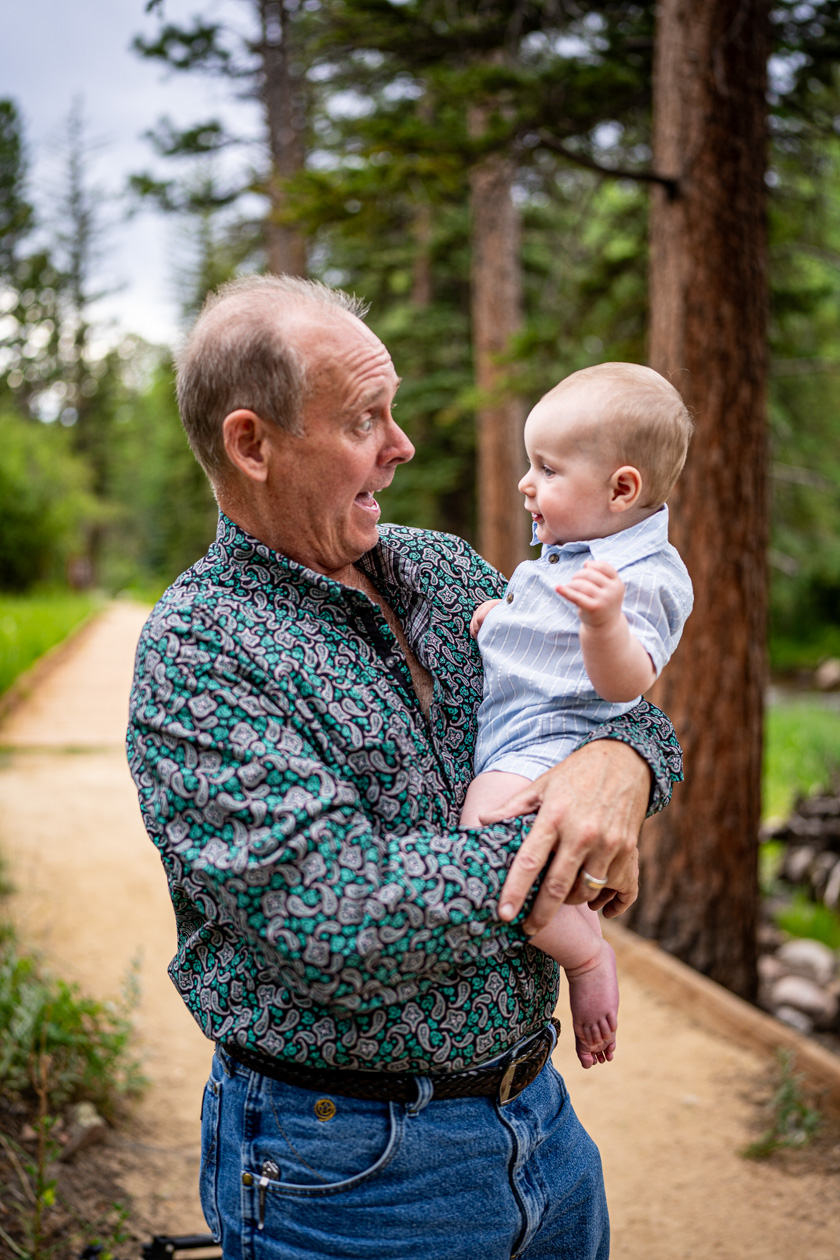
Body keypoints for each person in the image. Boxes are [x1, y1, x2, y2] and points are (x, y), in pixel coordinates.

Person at [127, 274, 684, 1260]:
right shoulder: (201, 654)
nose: (402, 445)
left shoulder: (443, 570)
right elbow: (338, 920)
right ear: (252, 444)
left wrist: (625, 761)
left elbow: (599, 704)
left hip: (543, 1124)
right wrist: (563, 837)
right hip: (348, 1173)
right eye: (364, 420)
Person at [459, 364, 694, 1069]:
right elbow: (539, 631)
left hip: (553, 743)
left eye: (547, 469)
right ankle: (576, 928)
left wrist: (604, 625)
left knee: (487, 828)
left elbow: (628, 681)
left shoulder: (639, 579)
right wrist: (500, 620)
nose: (527, 483)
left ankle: (586, 956)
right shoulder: (569, 554)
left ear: (622, 488)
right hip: (521, 730)